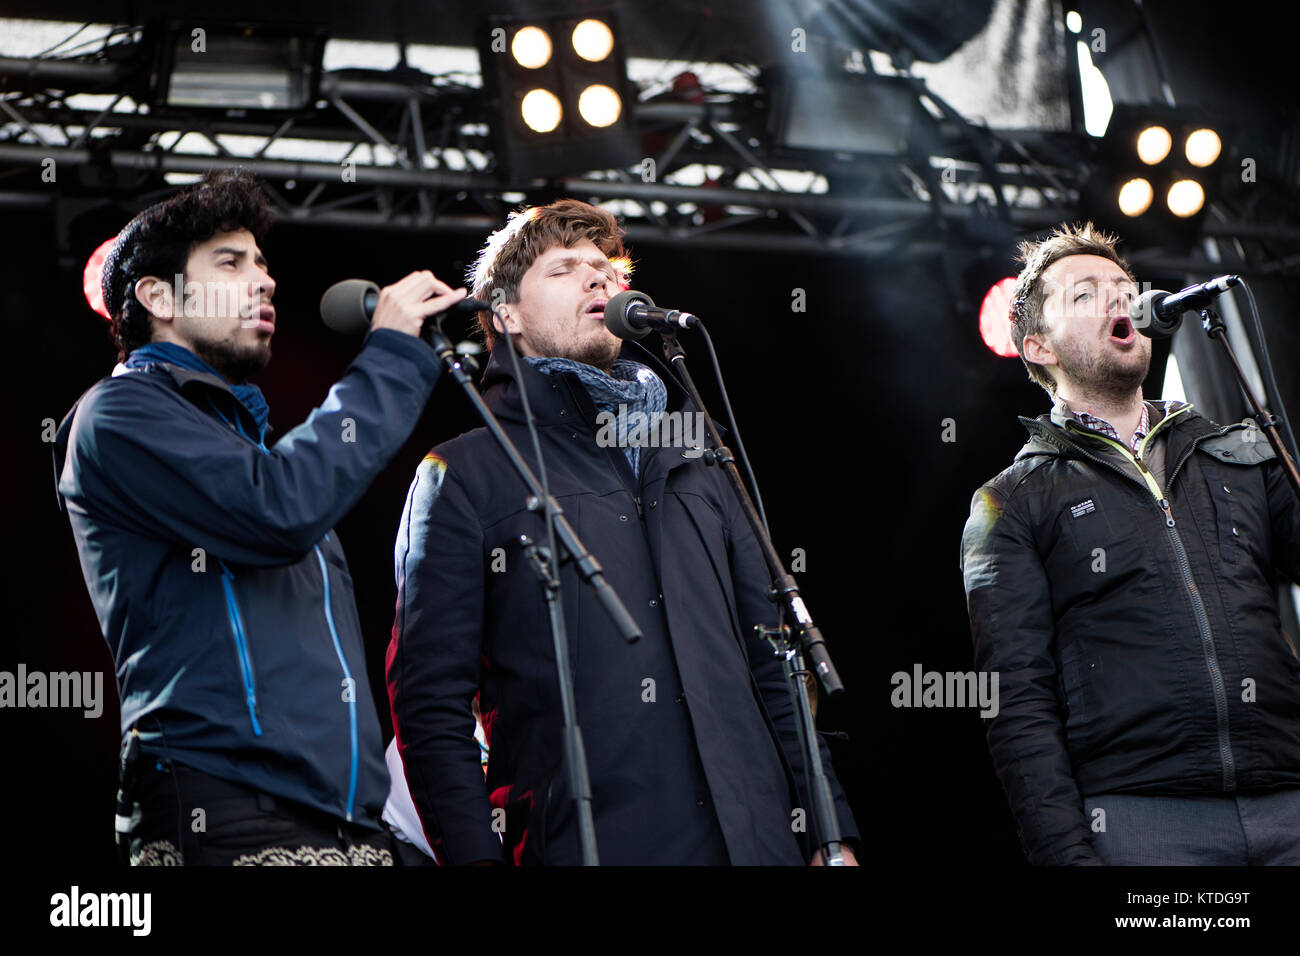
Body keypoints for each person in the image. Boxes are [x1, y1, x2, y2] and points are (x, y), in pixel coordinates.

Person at [386, 199, 860, 865]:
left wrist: (828, 832)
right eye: (563, 269)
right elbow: (429, 707)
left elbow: (772, 657)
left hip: (758, 844)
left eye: (605, 267)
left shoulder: (694, 445)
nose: (596, 279)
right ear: (506, 315)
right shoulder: (466, 473)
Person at [54, 169, 469, 865]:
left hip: (344, 822)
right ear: (157, 296)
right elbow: (281, 508)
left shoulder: (248, 451)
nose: (265, 279)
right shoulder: (119, 413)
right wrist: (394, 353)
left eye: (263, 262)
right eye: (231, 261)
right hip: (230, 810)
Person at [960, 221, 1300, 865]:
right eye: (1085, 295)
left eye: (1123, 286)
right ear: (1039, 348)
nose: (1118, 299)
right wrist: (1065, 854)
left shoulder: (1233, 454)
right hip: (1142, 821)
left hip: (1288, 796)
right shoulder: (1011, 502)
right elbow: (1016, 702)